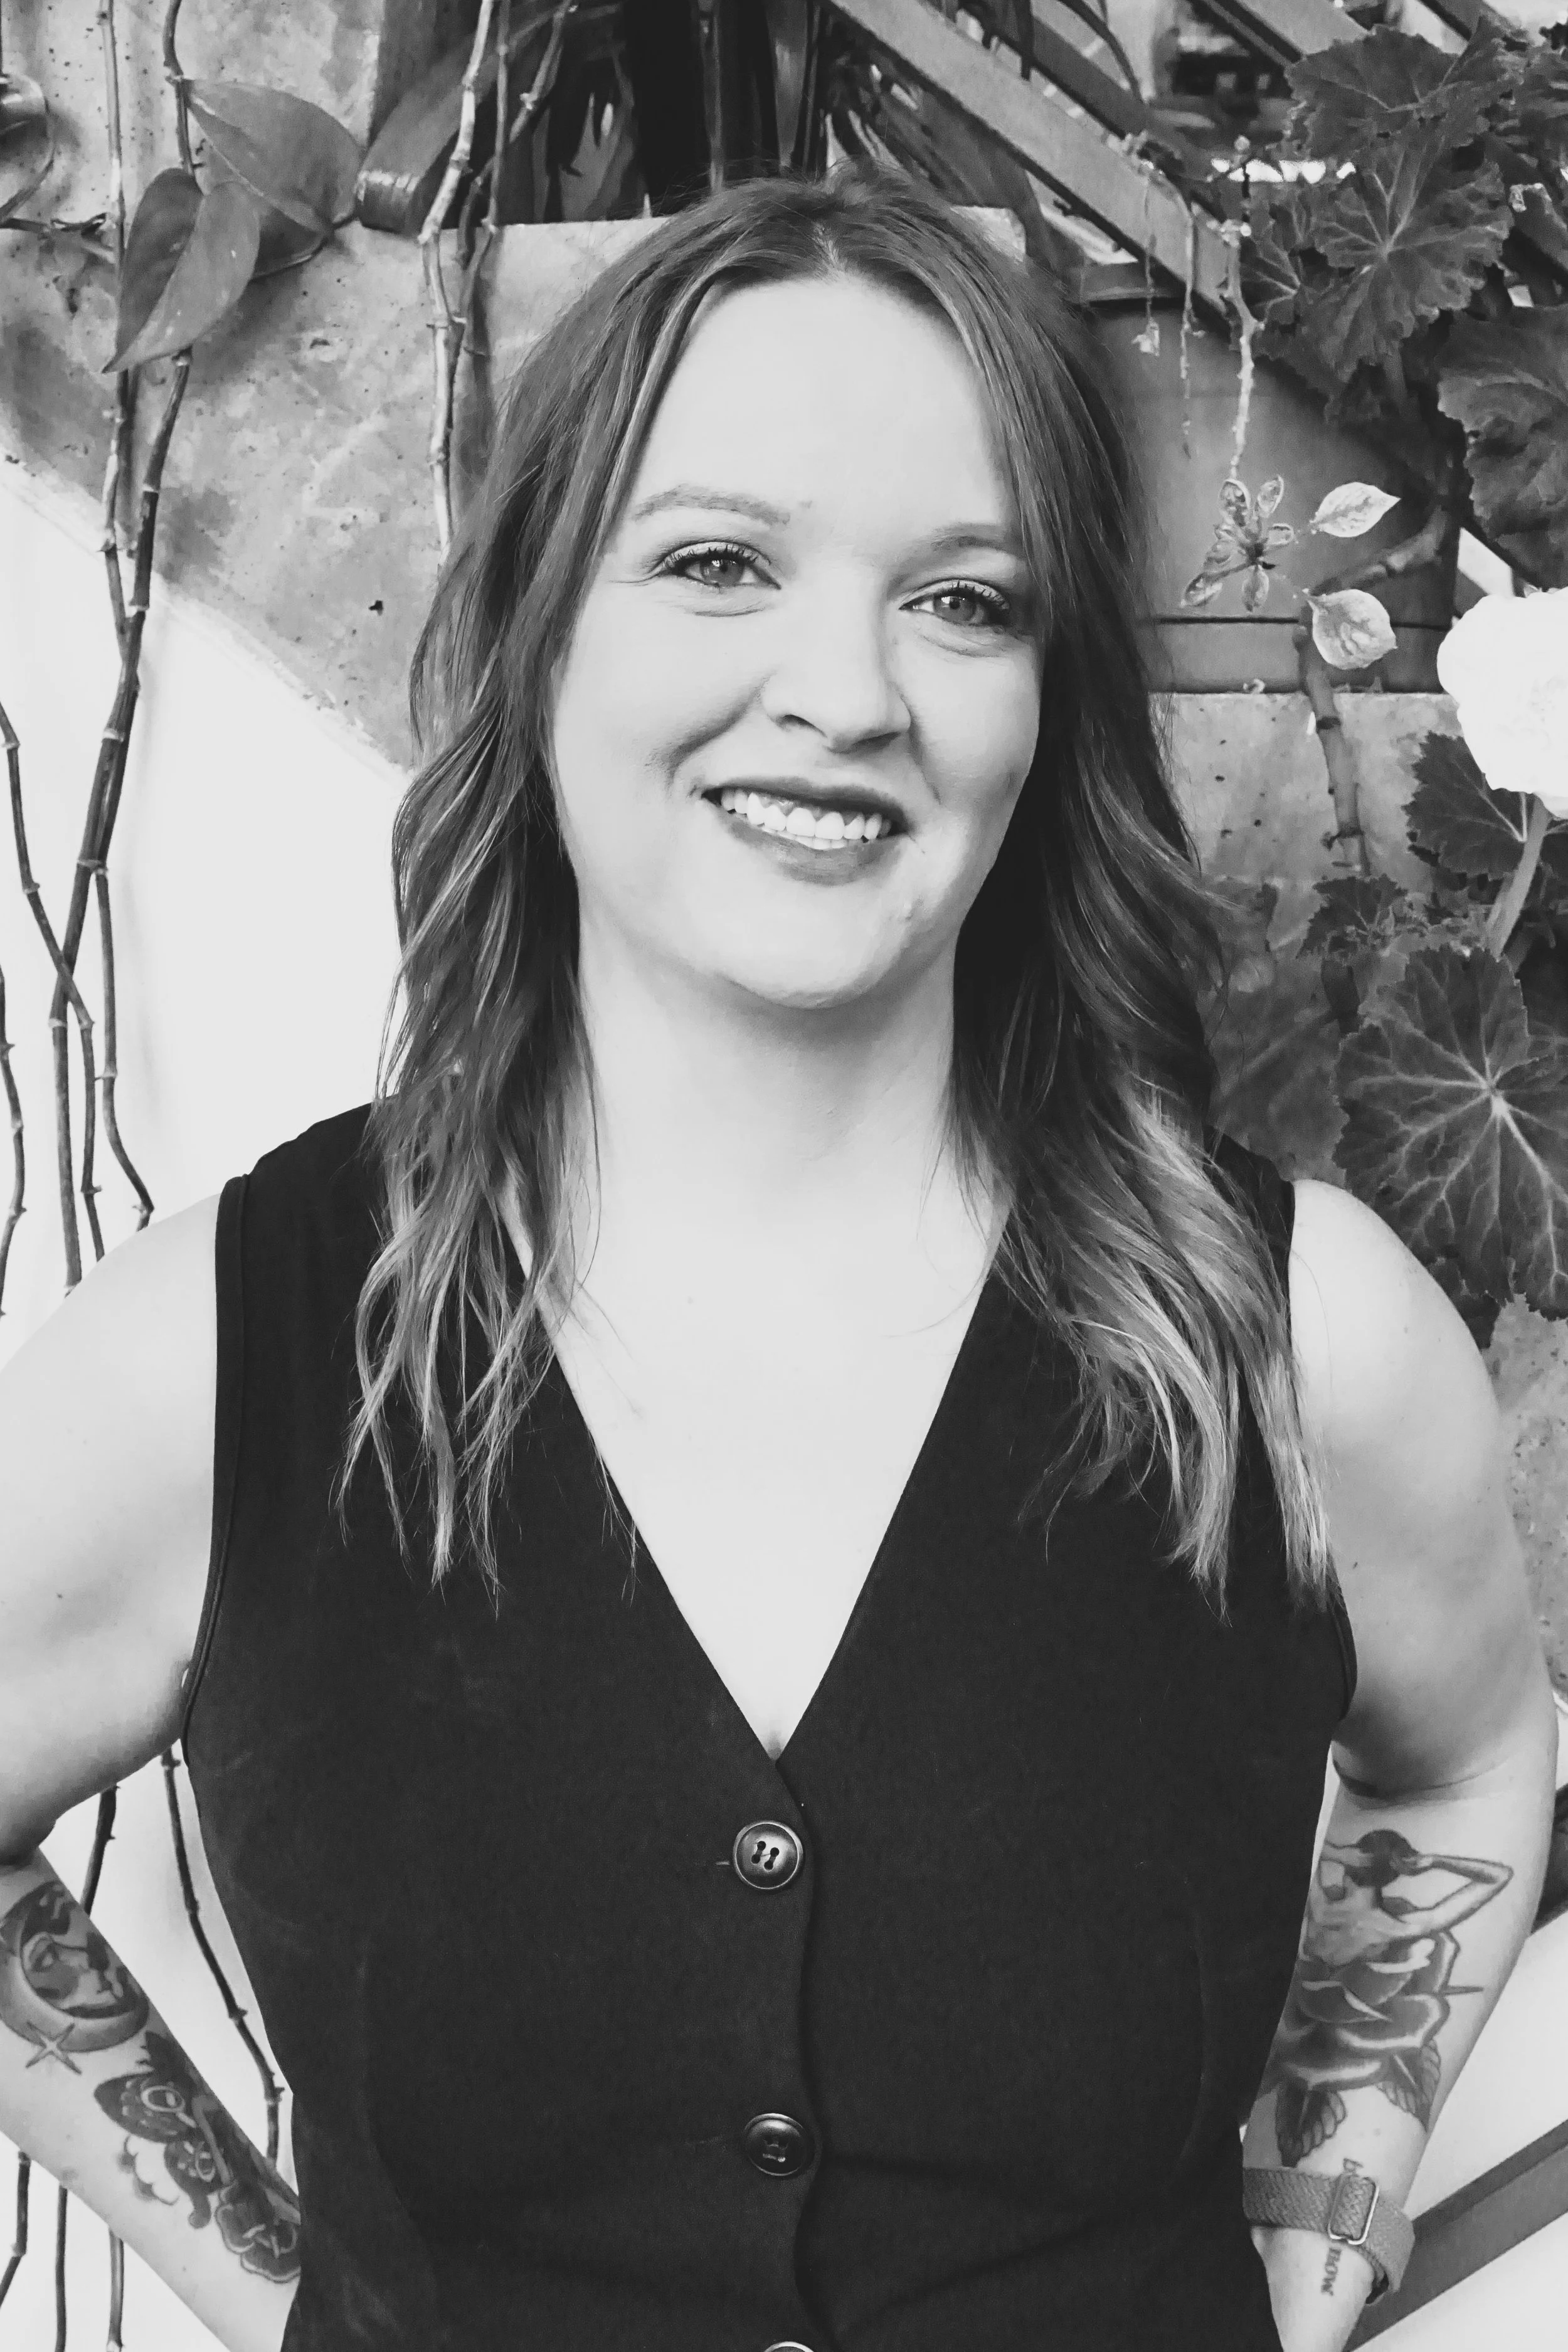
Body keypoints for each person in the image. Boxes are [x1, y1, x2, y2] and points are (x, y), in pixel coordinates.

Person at [0, 161, 1556, 2352]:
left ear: (1046, 705)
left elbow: (1465, 1757)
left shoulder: (1300, 1334)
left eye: (965, 599)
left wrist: (1312, 2241)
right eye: (718, 563)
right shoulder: (221, 1357)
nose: (843, 691)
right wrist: (274, 2283)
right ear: (544, 630)